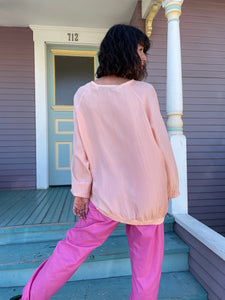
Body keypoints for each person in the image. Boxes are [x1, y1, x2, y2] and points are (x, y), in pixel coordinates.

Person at [11, 24, 179, 300]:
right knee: (147, 268)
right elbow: (162, 145)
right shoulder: (144, 92)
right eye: (140, 50)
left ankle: (31, 297)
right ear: (125, 50)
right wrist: (170, 186)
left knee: (71, 248)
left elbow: (81, 150)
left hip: (106, 194)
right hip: (148, 192)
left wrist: (81, 192)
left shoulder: (84, 95)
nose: (145, 57)